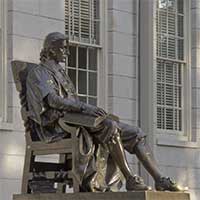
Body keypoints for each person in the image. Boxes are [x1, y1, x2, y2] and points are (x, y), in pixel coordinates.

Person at [26, 32, 183, 192]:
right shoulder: (40, 73)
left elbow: (71, 102)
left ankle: (160, 179)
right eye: (63, 49)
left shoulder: (60, 73)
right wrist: (86, 108)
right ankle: (130, 178)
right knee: (109, 126)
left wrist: (87, 111)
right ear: (51, 50)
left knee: (136, 133)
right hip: (56, 126)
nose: (67, 53)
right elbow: (54, 101)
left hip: (74, 119)